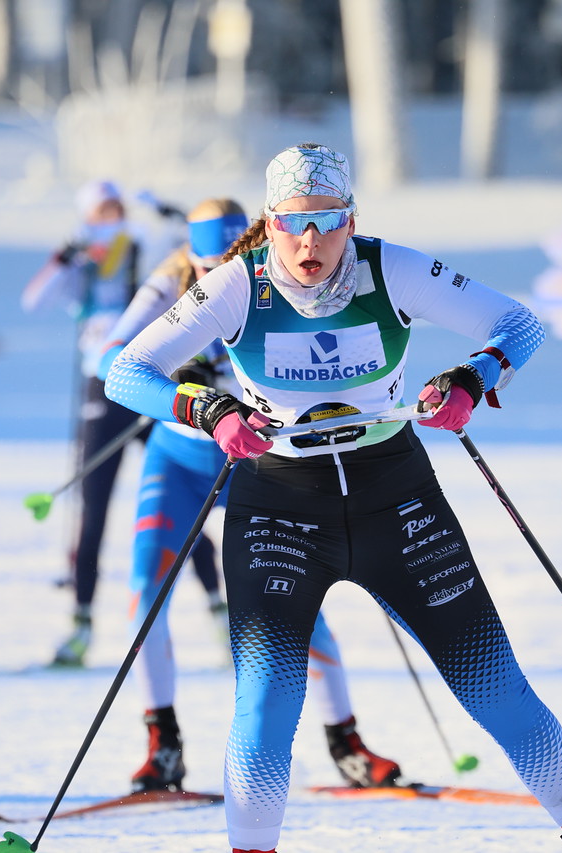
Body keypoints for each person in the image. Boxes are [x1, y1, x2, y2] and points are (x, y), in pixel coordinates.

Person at [105, 144, 562, 853]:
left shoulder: (394, 268)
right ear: (269, 223)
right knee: (265, 708)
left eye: (328, 221)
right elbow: (124, 371)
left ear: (351, 219)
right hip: (279, 507)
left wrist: (474, 377)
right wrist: (206, 410)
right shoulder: (237, 284)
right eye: (293, 223)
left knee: (493, 684)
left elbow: (522, 325)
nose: (311, 241)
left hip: (396, 496)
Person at [98, 197, 403, 795]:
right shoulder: (171, 280)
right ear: (190, 255)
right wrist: (185, 383)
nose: (217, 278)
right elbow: (106, 358)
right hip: (182, 461)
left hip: (259, 464)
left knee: (295, 600)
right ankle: (163, 745)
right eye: (206, 265)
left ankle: (345, 742)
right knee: (146, 591)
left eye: (229, 263)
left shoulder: (273, 274)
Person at [22, 179, 220, 666]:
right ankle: (82, 626)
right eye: (100, 211)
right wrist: (65, 256)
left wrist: (173, 214)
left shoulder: (139, 244)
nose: (109, 218)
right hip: (100, 386)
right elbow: (35, 301)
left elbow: (186, 251)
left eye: (115, 208)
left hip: (146, 383)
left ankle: (221, 619)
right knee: (94, 508)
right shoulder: (81, 257)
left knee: (182, 502)